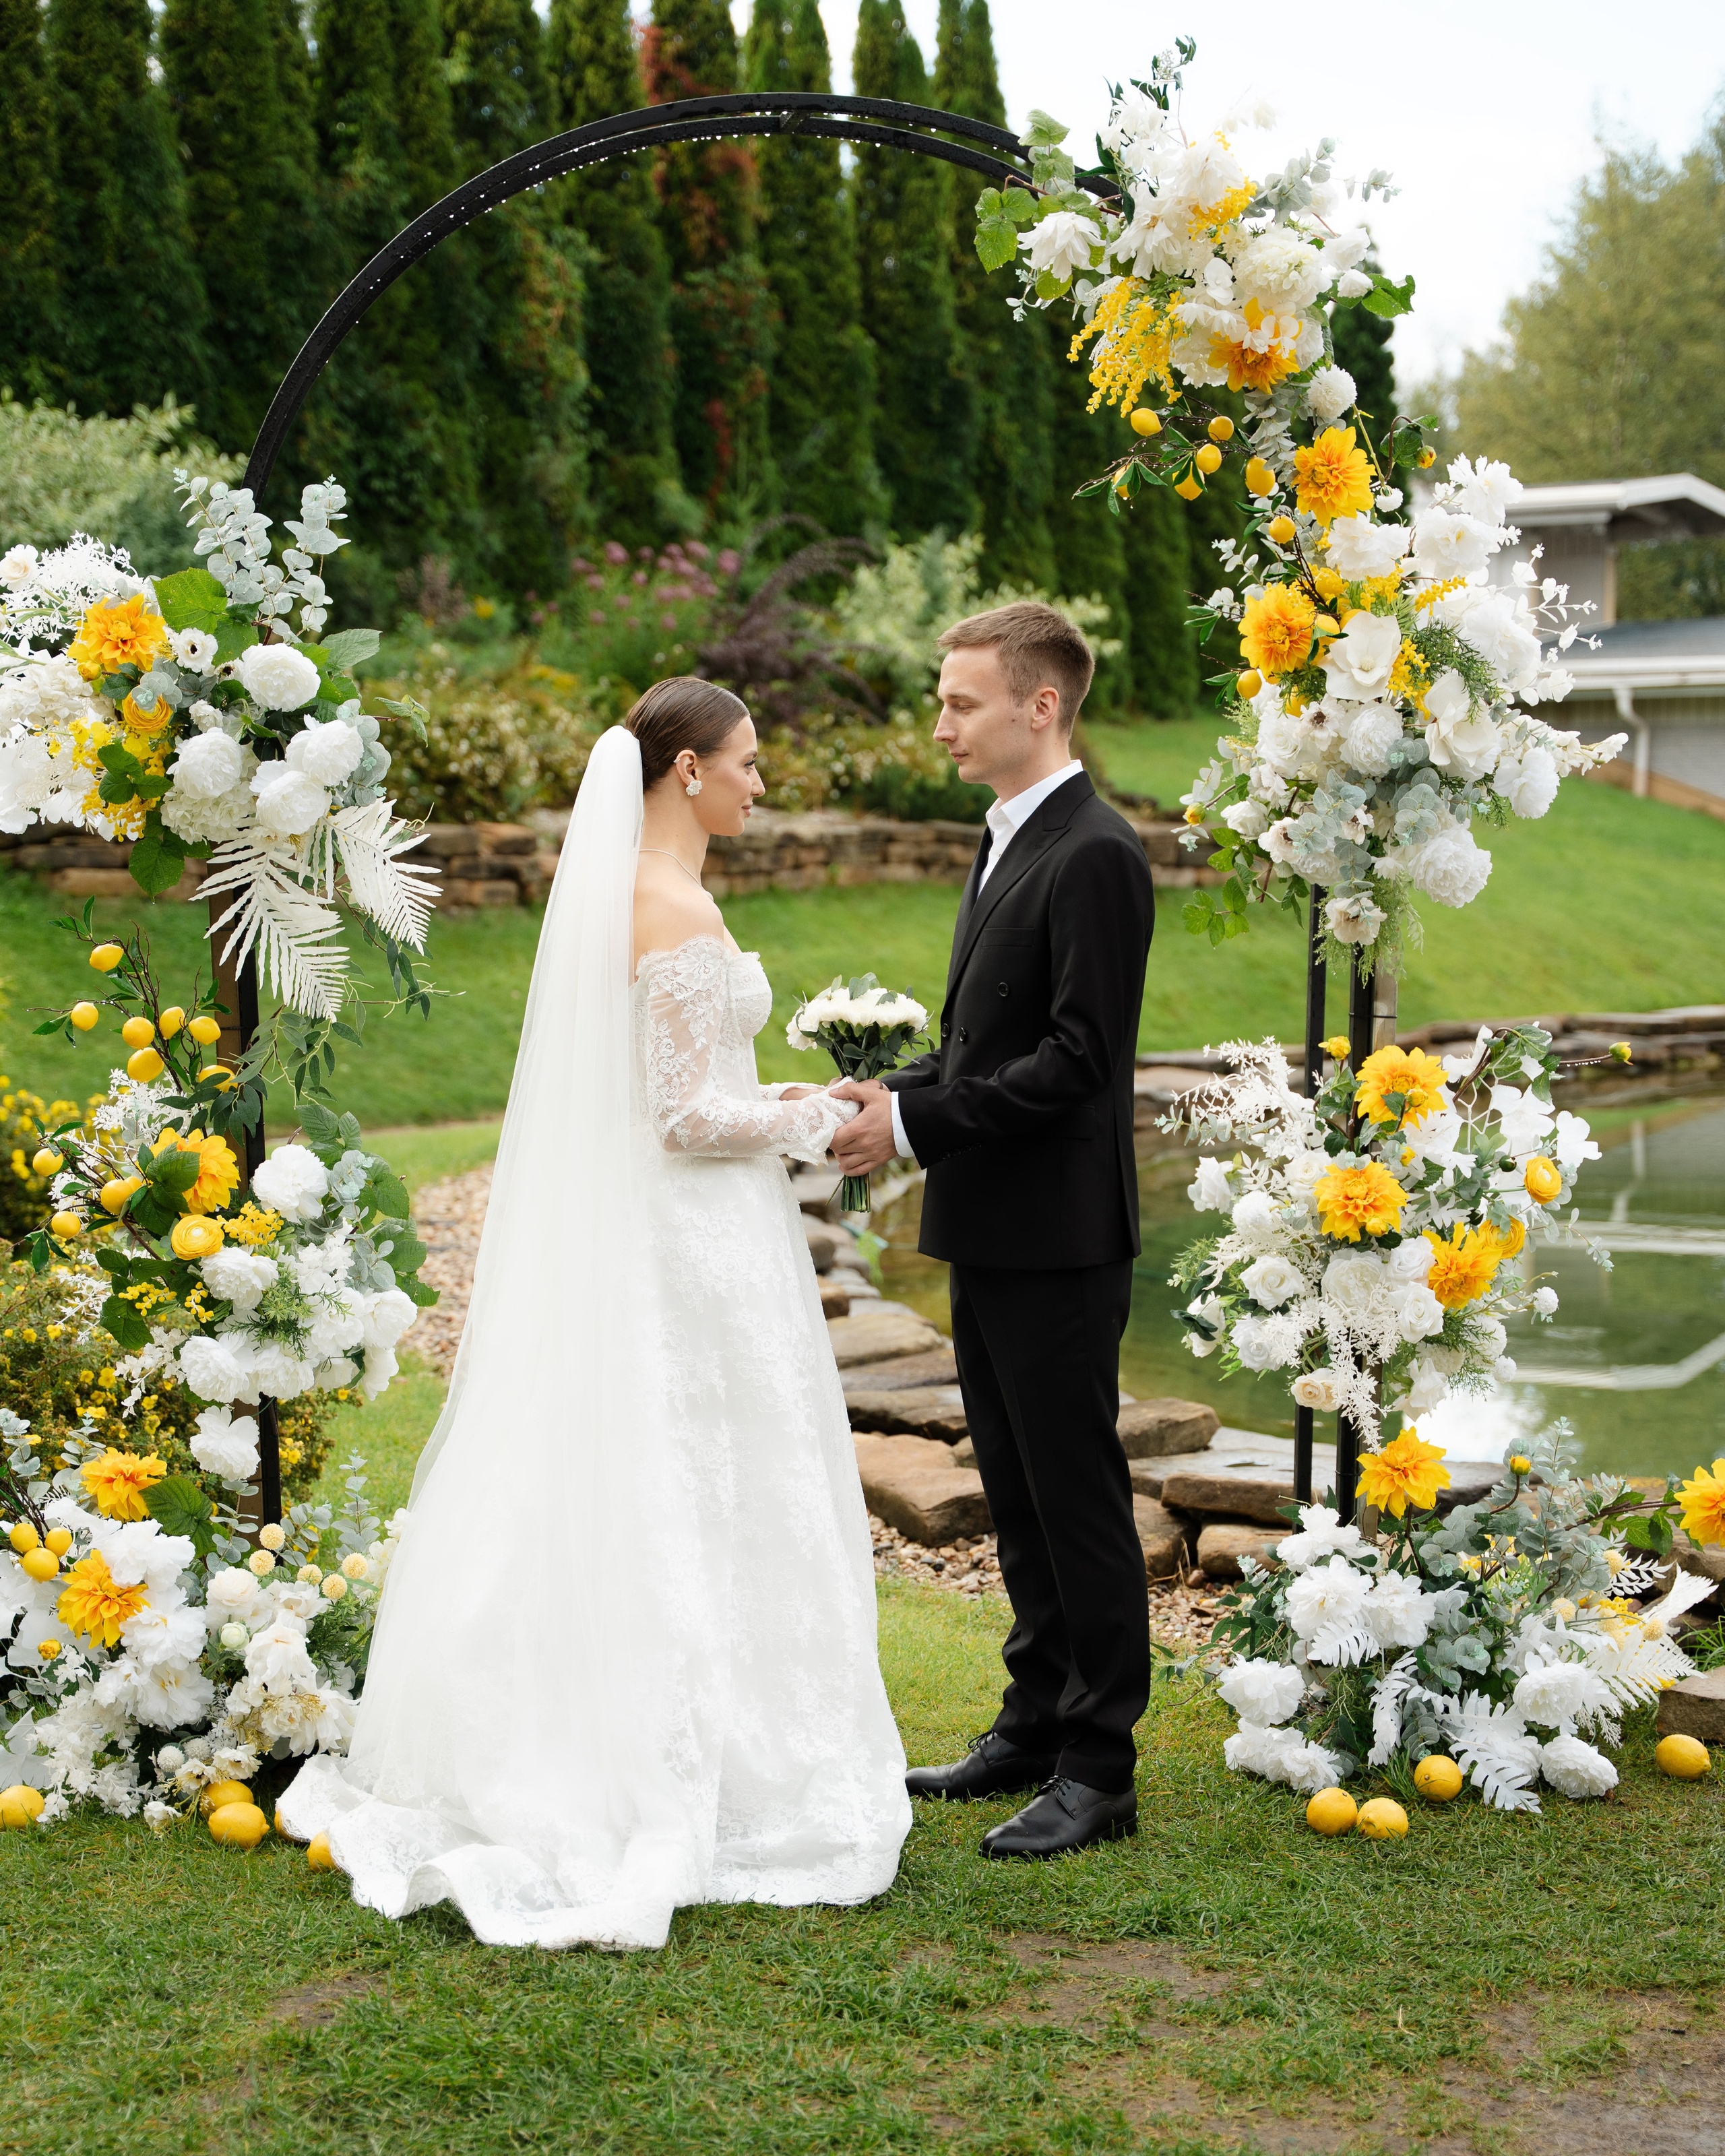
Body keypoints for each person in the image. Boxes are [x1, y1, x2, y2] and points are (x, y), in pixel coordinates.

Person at [280, 680, 910, 1948]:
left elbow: (668, 1086)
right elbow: (682, 1120)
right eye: (747, 761)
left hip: (690, 1228)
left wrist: (780, 1097)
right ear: (687, 770)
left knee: (677, 1473)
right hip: (693, 1236)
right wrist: (812, 1119)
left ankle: (683, 1726)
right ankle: (692, 1760)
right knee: (697, 1474)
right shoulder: (668, 905)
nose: (762, 783)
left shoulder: (644, 893)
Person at [832, 602, 1155, 1860]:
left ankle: (1100, 1766)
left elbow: (1079, 1063)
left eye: (961, 702)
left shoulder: (1098, 853)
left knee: (1076, 1497)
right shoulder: (1008, 834)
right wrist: (887, 1093)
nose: (941, 725)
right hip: (993, 1224)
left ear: (1042, 705)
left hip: (1062, 1235)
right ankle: (1032, 1724)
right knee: (1017, 1494)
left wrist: (916, 1125)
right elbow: (987, 1046)